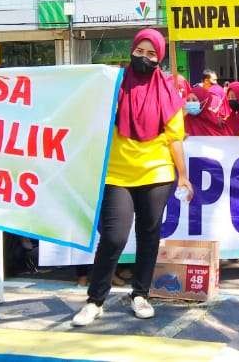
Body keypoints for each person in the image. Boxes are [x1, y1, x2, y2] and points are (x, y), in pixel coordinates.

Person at [72, 28, 194, 327]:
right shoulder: (113, 86)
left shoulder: (167, 90)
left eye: (151, 54)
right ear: (131, 51)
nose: (144, 57)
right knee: (113, 237)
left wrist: (183, 176)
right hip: (118, 172)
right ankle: (95, 300)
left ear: (160, 58)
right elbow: (89, 114)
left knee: (149, 235)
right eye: (139, 51)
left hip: (157, 172)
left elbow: (175, 138)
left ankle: (140, 294)